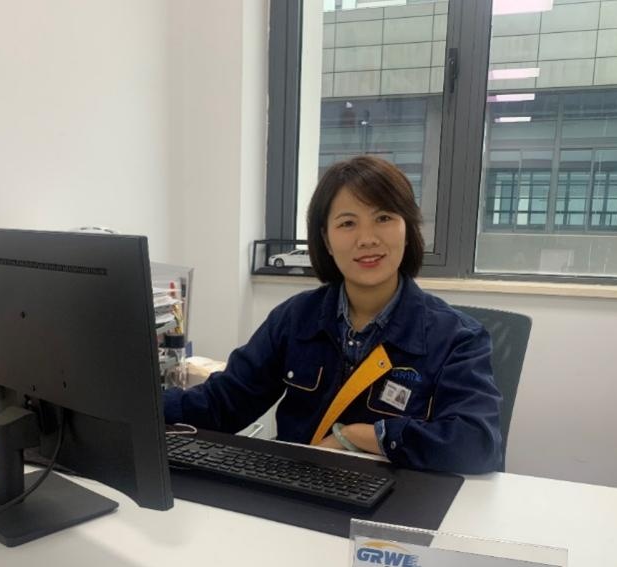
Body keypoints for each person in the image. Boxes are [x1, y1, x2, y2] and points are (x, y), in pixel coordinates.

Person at [163, 155, 502, 473]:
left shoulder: (457, 338)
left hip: (396, 501)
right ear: (325, 239)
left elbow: (477, 442)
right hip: (299, 491)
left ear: (407, 228)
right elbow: (223, 405)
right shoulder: (295, 319)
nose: (367, 239)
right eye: (347, 223)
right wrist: (142, 402)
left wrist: (359, 436)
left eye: (384, 218)